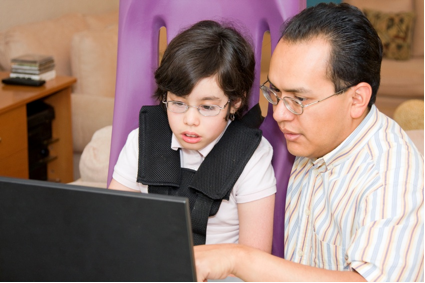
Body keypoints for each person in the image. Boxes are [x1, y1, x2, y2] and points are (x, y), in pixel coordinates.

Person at [194, 3, 424, 282]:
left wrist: (238, 258)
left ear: (357, 100)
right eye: (275, 92)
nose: (278, 114)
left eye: (298, 100)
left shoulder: (393, 175)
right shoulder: (309, 139)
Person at [109, 20, 276, 251]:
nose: (190, 120)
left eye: (207, 107)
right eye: (178, 103)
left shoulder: (252, 156)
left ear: (235, 102)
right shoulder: (142, 141)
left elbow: (256, 260)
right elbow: (111, 222)